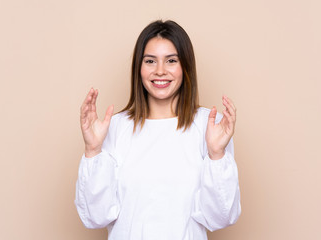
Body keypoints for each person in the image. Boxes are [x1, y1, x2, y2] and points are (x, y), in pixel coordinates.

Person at [75, 20, 241, 240]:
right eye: (150, 61)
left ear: (186, 67)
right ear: (139, 67)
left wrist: (217, 155)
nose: (160, 71)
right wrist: (92, 150)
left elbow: (220, 217)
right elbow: (96, 218)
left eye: (171, 60)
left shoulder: (209, 126)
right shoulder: (114, 127)